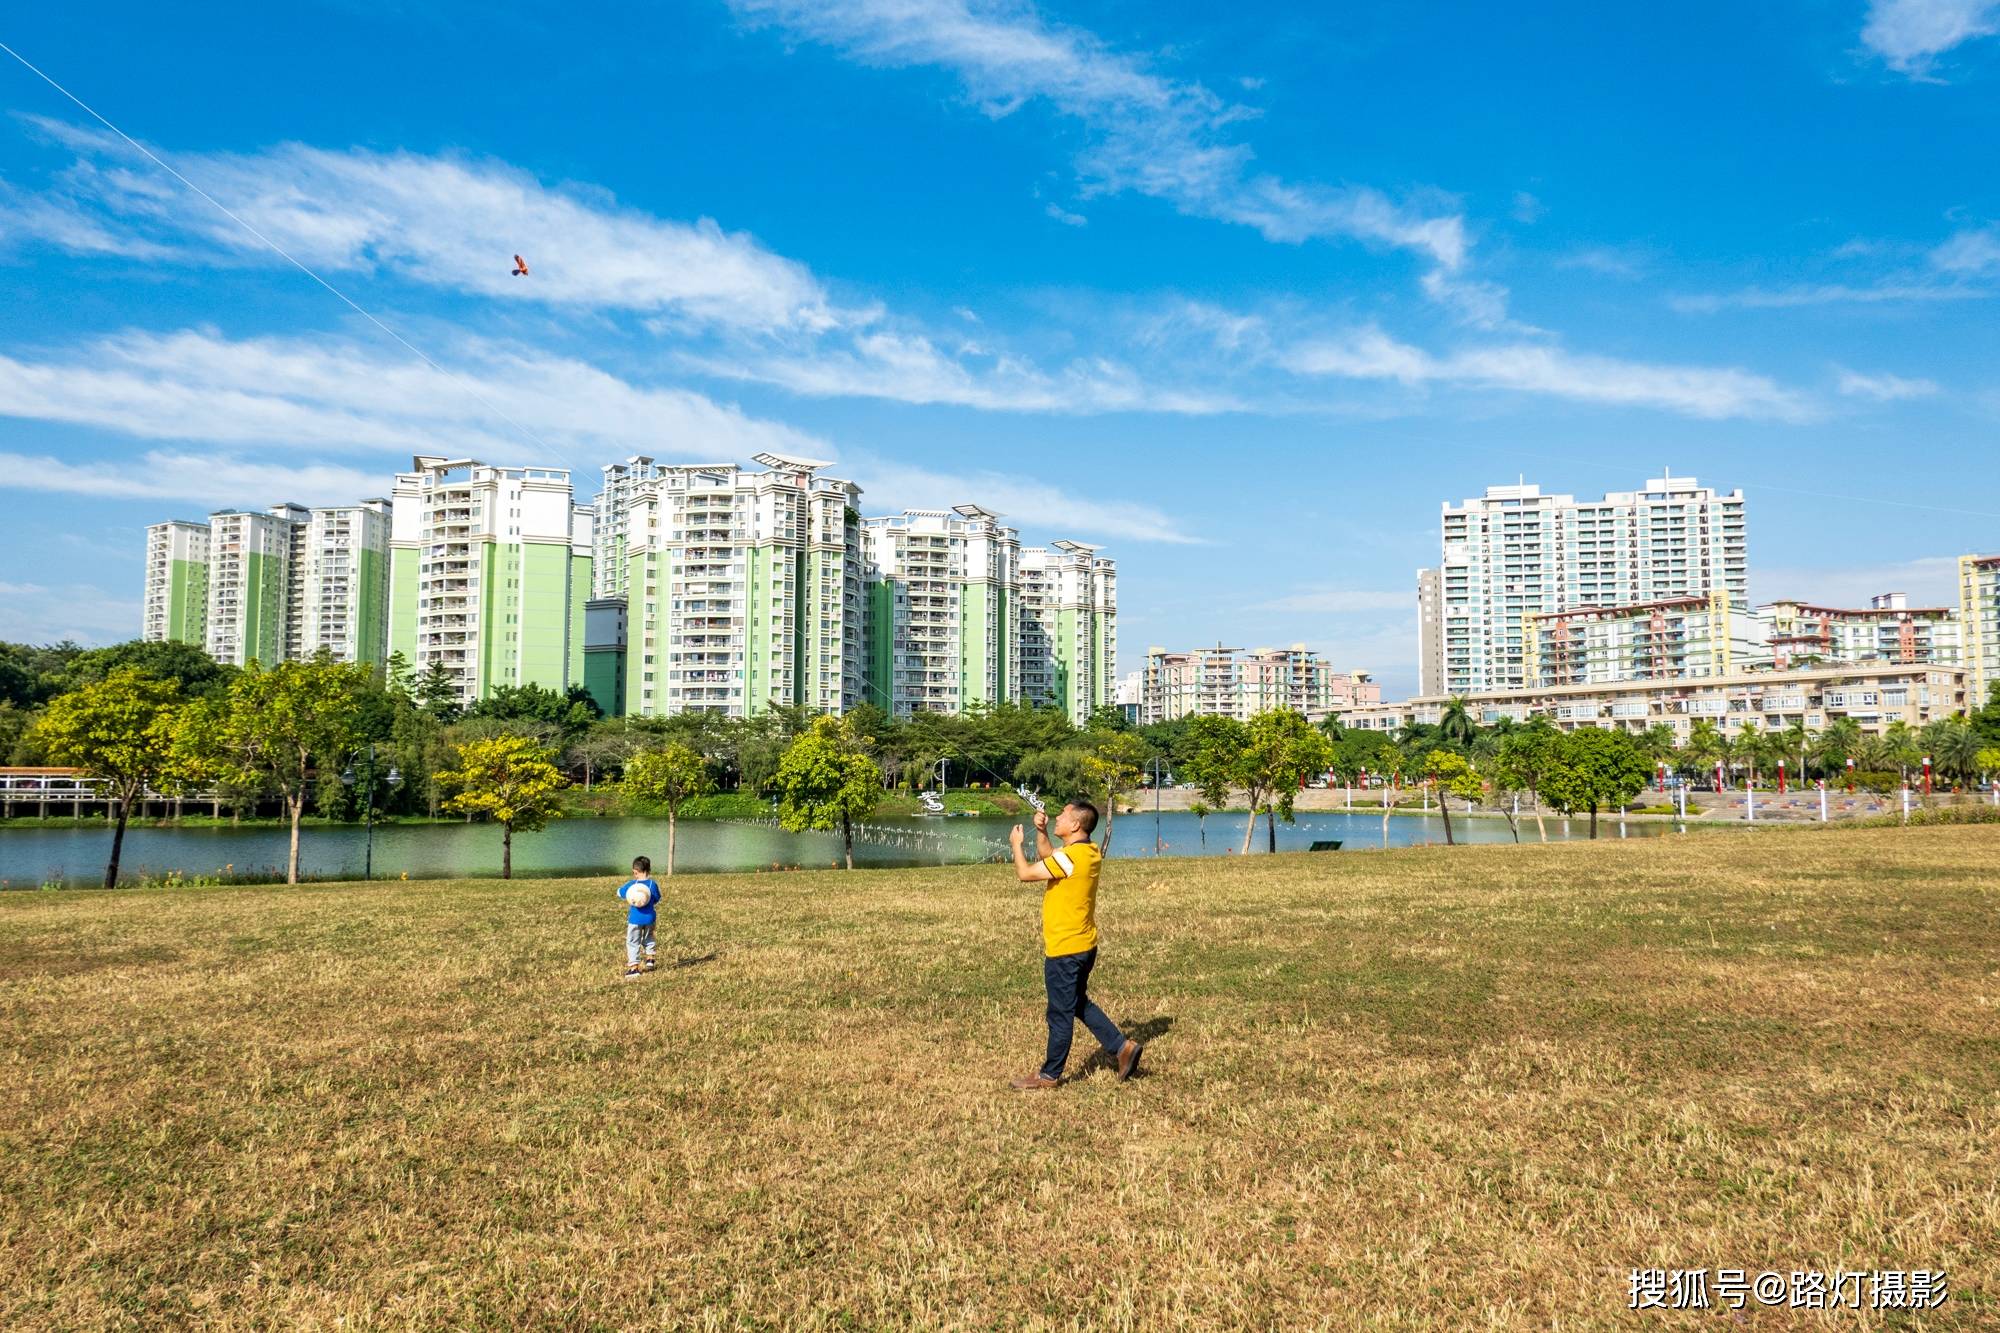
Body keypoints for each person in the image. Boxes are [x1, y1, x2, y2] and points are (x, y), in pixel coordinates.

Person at [1007, 801, 1141, 1090]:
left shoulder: (1070, 858)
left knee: (1059, 1013)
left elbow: (1025, 873)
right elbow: (1049, 855)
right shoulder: (1086, 852)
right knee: (1078, 1002)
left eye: (1063, 816)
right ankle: (1122, 1047)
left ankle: (1049, 1075)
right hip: (1084, 946)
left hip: (1065, 950)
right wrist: (1041, 831)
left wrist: (1016, 844)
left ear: (1076, 825)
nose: (1057, 817)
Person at [617, 855, 661, 981]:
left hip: (635, 919)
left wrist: (621, 891)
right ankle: (650, 958)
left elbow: (620, 892)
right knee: (649, 936)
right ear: (649, 869)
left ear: (635, 872)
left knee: (633, 942)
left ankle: (634, 968)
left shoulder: (632, 884)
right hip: (650, 918)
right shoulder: (653, 884)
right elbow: (657, 898)